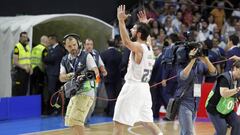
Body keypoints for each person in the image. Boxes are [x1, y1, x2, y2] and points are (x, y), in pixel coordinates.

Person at [113, 5, 163, 135]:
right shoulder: (149, 47)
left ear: (139, 34)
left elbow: (126, 42)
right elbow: (147, 37)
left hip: (133, 87)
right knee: (147, 122)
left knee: (118, 122)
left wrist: (121, 21)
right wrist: (144, 25)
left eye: (134, 28)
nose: (131, 29)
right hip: (144, 89)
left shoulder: (139, 47)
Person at [59, 33, 99, 135]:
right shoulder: (64, 60)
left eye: (74, 45)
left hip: (86, 92)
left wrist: (84, 76)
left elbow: (96, 72)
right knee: (70, 121)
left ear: (78, 44)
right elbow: (61, 77)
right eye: (69, 46)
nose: (72, 48)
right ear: (65, 47)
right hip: (75, 93)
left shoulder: (86, 56)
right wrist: (71, 75)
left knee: (75, 121)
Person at [174, 46, 217, 135]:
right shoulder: (181, 64)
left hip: (195, 103)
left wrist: (206, 59)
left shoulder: (200, 64)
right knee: (189, 132)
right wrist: (192, 60)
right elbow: (183, 76)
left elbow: (214, 72)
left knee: (184, 131)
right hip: (184, 102)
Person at [206, 60, 240, 135]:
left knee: (237, 124)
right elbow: (224, 93)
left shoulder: (238, 79)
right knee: (222, 130)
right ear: (235, 68)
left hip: (226, 109)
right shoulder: (224, 77)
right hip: (214, 108)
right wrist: (237, 90)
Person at [43, 34, 66, 115]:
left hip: (54, 74)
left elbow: (50, 59)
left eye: (49, 39)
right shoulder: (54, 49)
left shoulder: (58, 49)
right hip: (55, 74)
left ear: (53, 40)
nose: (48, 41)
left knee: (52, 92)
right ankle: (55, 109)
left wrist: (45, 58)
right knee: (55, 92)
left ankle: (58, 108)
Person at [101, 39, 122, 116]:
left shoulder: (103, 54)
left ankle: (111, 113)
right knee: (116, 97)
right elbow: (122, 65)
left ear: (107, 44)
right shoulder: (119, 54)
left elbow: (101, 66)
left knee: (110, 97)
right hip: (118, 78)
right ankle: (114, 112)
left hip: (107, 79)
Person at [11, 32, 32, 96]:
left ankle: (22, 104)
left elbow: (29, 59)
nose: (25, 38)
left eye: (26, 37)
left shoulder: (28, 47)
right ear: (20, 37)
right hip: (19, 72)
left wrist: (31, 68)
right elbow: (15, 61)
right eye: (23, 37)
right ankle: (15, 104)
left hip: (26, 72)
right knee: (17, 90)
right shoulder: (17, 47)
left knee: (24, 90)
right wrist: (24, 67)